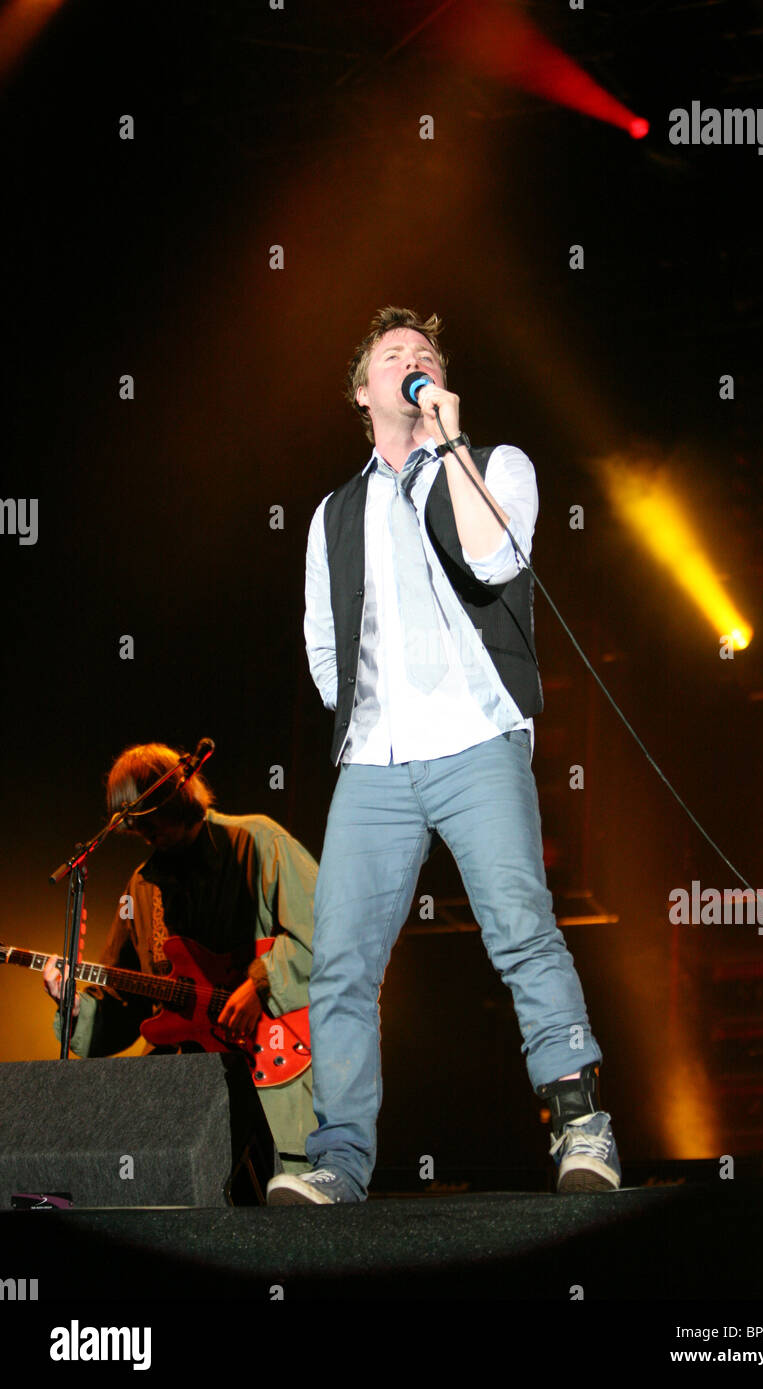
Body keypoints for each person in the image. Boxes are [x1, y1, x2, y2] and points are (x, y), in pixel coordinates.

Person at [266, 306, 620, 1205]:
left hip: (474, 739)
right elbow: (320, 644)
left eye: (425, 355)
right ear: (362, 390)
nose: (412, 364)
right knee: (341, 962)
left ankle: (581, 1128)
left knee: (521, 932)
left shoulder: (495, 464)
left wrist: (449, 445)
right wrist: (360, 723)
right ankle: (338, 1160)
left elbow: (496, 558)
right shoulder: (332, 513)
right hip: (375, 761)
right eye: (393, 357)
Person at [43, 743, 317, 1176]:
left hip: (271, 1063)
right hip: (186, 1085)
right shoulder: (141, 885)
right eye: (134, 823)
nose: (143, 830)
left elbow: (326, 932)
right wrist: (75, 1007)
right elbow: (125, 1002)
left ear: (176, 794)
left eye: (148, 816)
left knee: (283, 1216)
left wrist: (261, 983)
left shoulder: (256, 842)